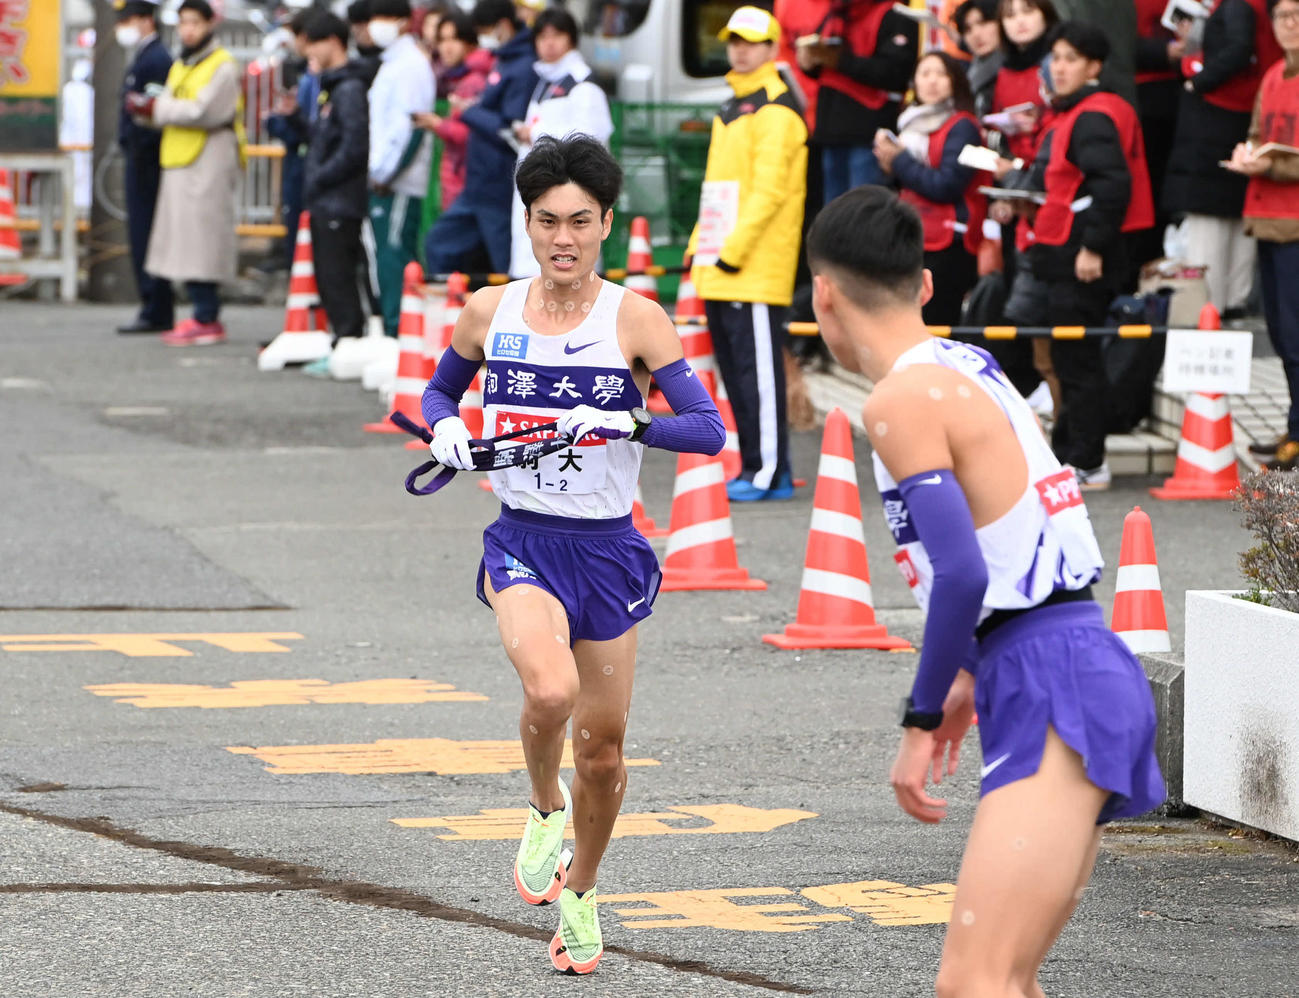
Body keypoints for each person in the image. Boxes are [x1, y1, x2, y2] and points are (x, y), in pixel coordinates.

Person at [805, 183, 1164, 998]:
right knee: (1007, 981)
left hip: (1051, 673)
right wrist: (968, 674)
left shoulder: (898, 399)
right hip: (1065, 656)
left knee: (975, 984)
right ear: (926, 284)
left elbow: (963, 572)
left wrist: (921, 715)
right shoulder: (968, 365)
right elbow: (1008, 543)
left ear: (822, 292)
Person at [420, 134, 724, 975]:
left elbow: (706, 428)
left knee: (605, 747)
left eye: (579, 223)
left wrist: (630, 421)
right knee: (549, 688)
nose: (563, 238)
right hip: (523, 538)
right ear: (527, 222)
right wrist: (444, 427)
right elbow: (441, 387)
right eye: (547, 221)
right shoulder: (491, 310)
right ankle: (540, 805)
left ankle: (581, 892)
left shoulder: (635, 318)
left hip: (608, 548)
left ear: (605, 225)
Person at [1003, 22, 1154, 488]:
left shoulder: (1092, 115)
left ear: (1094, 66)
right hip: (1065, 254)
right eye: (1056, 57)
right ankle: (1071, 454)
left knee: (1078, 362)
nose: (1059, 66)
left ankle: (1087, 459)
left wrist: (1091, 248)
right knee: (1069, 360)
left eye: (1071, 58)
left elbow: (1112, 186)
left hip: (1079, 258)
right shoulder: (1082, 111)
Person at [686, 6, 808, 502]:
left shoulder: (775, 110)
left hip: (752, 267)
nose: (739, 48)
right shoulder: (734, 106)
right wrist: (702, 248)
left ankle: (768, 471)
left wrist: (730, 252)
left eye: (751, 41)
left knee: (757, 377)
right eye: (734, 39)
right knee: (739, 375)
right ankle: (761, 467)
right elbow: (719, 190)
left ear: (772, 48)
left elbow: (770, 193)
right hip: (725, 263)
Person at [127, 0, 245, 346]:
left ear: (210, 24)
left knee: (203, 241)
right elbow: (171, 102)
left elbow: (202, 111)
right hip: (182, 159)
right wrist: (146, 108)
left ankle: (207, 315)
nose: (188, 30)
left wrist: (155, 107)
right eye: (183, 23)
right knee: (186, 242)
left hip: (209, 158)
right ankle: (198, 313)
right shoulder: (183, 62)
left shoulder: (223, 65)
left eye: (195, 22)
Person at [1164, 0, 1284, 317]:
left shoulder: (1236, 6)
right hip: (1239, 120)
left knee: (1208, 223)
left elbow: (1238, 48)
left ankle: (1209, 307)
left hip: (1213, 126)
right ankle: (1232, 302)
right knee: (1235, 217)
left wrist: (1196, 77)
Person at [1230, 0, 1299, 470]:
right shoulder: (1273, 74)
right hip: (1266, 217)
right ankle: (1295, 426)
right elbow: (1257, 132)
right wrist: (1248, 154)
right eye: (1281, 17)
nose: (1289, 25)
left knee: (1296, 336)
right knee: (1280, 333)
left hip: (1294, 222)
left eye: (1297, 15)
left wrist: (1269, 165)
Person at [423, 0, 536, 276]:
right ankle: (459, 316)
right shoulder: (502, 60)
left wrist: (470, 111)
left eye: (485, 30)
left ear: (503, 25)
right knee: (439, 245)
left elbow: (510, 128)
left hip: (499, 186)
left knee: (505, 268)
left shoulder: (522, 66)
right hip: (476, 184)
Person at [874, 51, 985, 325]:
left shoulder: (962, 126)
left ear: (954, 81)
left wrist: (899, 160)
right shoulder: (908, 123)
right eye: (925, 74)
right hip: (913, 235)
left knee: (935, 323)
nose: (932, 81)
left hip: (949, 242)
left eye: (941, 74)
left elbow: (947, 185)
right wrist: (888, 163)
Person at [508, 7, 613, 278]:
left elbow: (592, 140)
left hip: (568, 198)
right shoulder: (546, 81)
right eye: (542, 37)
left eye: (557, 35)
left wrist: (535, 133)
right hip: (537, 193)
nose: (549, 43)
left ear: (572, 39)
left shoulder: (582, 83)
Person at [785, 0, 919, 203]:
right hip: (830, 132)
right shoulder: (836, 12)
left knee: (863, 217)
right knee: (833, 219)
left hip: (868, 137)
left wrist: (840, 61)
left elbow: (896, 74)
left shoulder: (895, 14)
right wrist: (809, 62)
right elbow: (825, 67)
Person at [300, 11, 371, 360]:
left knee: (338, 275)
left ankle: (348, 343)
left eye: (312, 43)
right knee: (329, 275)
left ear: (332, 41)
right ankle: (341, 343)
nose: (306, 50)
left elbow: (355, 148)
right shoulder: (334, 87)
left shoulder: (349, 89)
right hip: (328, 199)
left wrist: (319, 176)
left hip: (340, 200)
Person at [366, 0, 436, 336]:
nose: (377, 24)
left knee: (396, 257)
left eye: (385, 17)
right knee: (385, 257)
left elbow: (414, 128)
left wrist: (389, 175)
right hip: (383, 176)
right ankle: (394, 327)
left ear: (406, 22)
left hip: (398, 181)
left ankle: (400, 331)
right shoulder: (391, 63)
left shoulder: (411, 65)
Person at [114, 0, 174, 335]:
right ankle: (151, 304)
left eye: (130, 19)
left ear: (147, 20)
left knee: (148, 233)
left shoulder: (156, 59)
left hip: (148, 158)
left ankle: (156, 306)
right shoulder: (144, 57)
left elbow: (151, 111)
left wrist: (138, 144)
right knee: (141, 232)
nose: (123, 27)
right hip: (140, 155)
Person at [413, 9, 494, 211]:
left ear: (470, 41)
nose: (447, 47)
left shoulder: (474, 80)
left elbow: (471, 133)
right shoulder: (460, 77)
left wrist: (437, 124)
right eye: (442, 40)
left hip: (466, 185)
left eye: (454, 39)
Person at [264, 8, 321, 273]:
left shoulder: (317, 78)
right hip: (298, 162)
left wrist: (280, 121)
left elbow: (310, 128)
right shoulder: (305, 73)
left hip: (306, 164)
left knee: (305, 238)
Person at [954, 0, 1003, 117]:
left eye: (983, 23)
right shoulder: (969, 75)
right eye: (967, 29)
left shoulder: (1015, 68)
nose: (976, 34)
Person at [347, 0, 384, 85]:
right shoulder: (354, 62)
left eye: (365, 24)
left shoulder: (390, 54)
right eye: (356, 25)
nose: (359, 31)